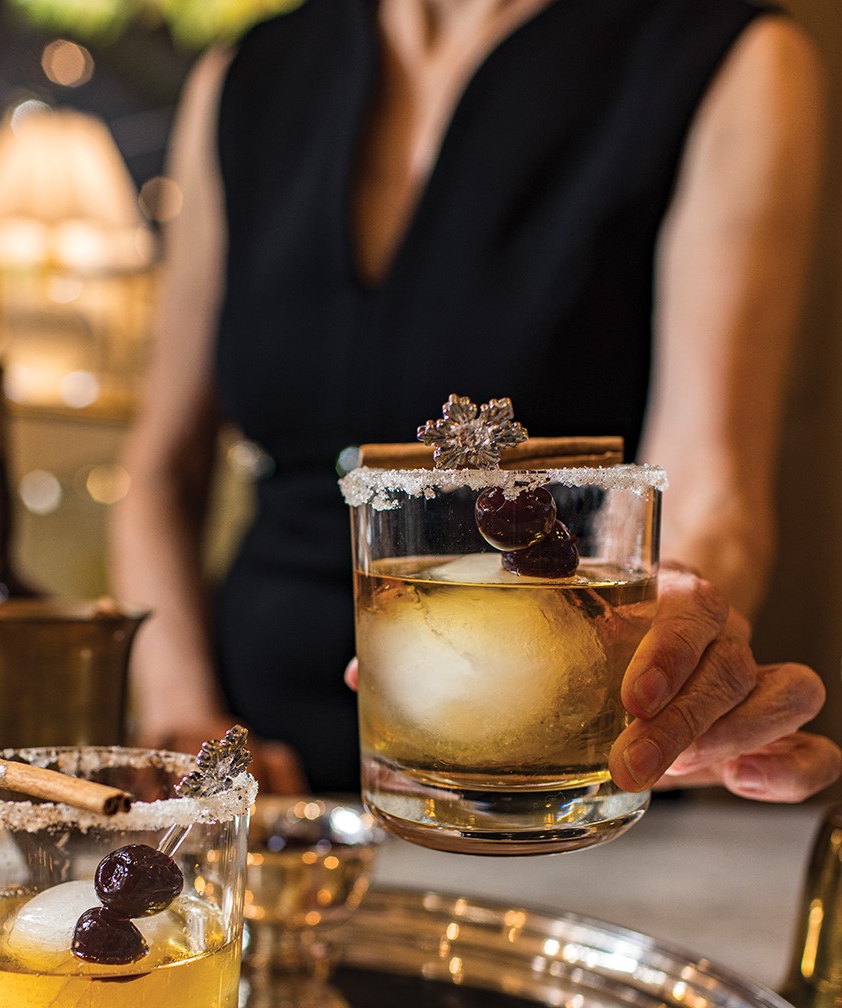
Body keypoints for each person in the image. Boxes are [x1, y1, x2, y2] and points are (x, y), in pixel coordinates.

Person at [111, 0, 839, 802]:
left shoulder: (733, 59)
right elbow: (160, 469)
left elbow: (710, 489)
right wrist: (185, 719)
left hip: (541, 766)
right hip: (256, 781)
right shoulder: (244, 77)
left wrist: (678, 644)